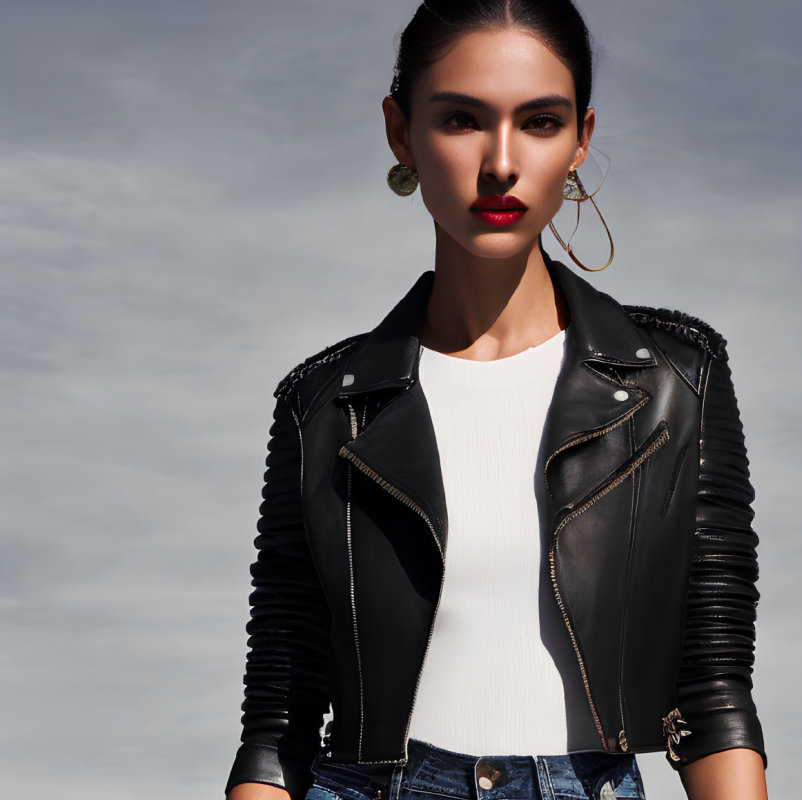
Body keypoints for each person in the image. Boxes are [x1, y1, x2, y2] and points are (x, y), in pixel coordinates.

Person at [225, 1, 767, 798]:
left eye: (540, 122)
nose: (502, 162)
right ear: (400, 132)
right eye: (461, 120)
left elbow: (713, 688)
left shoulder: (677, 380)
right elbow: (282, 710)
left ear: (581, 138)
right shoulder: (322, 405)